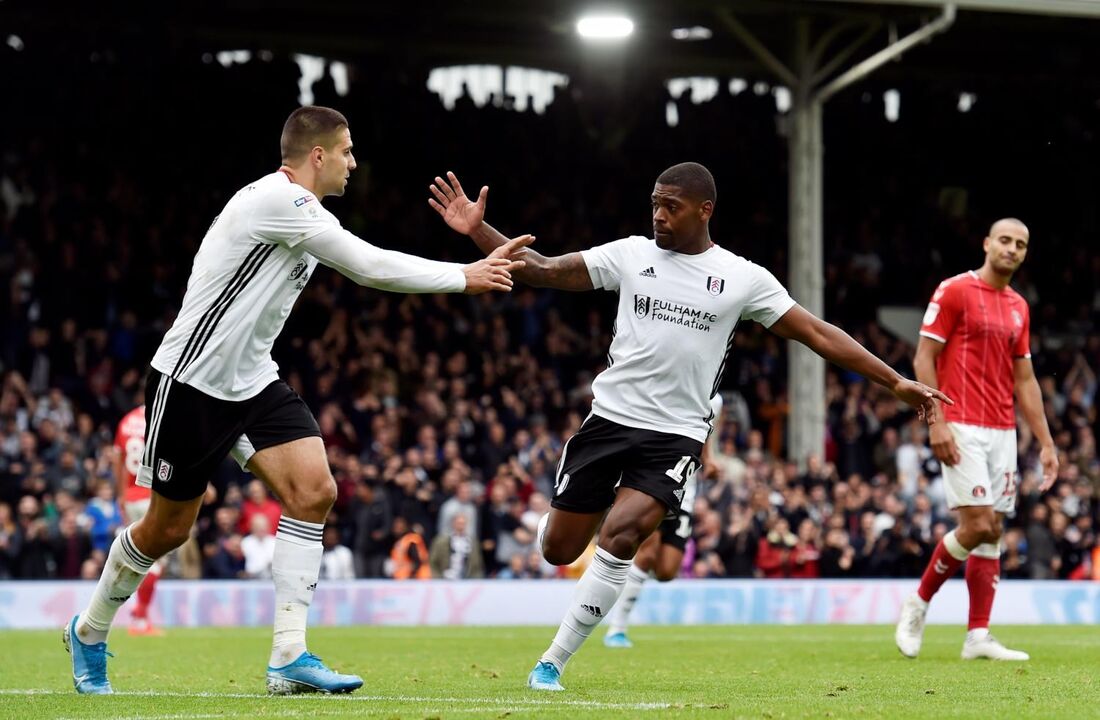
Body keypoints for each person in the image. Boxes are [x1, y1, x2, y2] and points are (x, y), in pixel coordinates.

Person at [63, 105, 528, 696]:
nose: (354, 162)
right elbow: (369, 266)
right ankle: (90, 629)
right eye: (348, 151)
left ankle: (288, 656)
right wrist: (466, 275)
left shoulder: (304, 212)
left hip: (253, 381)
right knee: (168, 529)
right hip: (191, 383)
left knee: (316, 491)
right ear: (318, 155)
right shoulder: (280, 201)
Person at [429, 164, 950, 691]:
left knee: (623, 536)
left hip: (675, 436)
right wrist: (477, 230)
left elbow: (816, 332)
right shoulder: (630, 255)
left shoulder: (743, 278)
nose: (658, 214)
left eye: (671, 205)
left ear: (705, 210)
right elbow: (540, 268)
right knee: (559, 551)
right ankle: (560, 523)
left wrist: (895, 382)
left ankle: (552, 662)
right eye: (655, 202)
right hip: (608, 422)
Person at [895, 218, 1058, 661]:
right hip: (961, 421)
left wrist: (1045, 441)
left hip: (1003, 429)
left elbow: (1025, 380)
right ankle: (919, 602)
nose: (1012, 249)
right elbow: (923, 357)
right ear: (987, 244)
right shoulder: (954, 291)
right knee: (980, 523)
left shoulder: (1019, 307)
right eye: (1005, 240)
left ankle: (978, 636)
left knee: (993, 531)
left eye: (1021, 244)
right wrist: (937, 420)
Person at [602, 394, 723, 648]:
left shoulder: (715, 400)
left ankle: (625, 585)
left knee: (667, 571)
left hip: (685, 494)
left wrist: (708, 460)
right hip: (654, 484)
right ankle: (617, 629)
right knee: (646, 553)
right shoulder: (668, 384)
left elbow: (705, 432)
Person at [112, 403, 164, 636]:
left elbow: (118, 460)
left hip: (131, 497)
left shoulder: (126, 420)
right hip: (152, 496)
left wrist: (121, 496)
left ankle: (139, 615)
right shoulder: (162, 415)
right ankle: (140, 618)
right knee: (155, 561)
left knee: (140, 557)